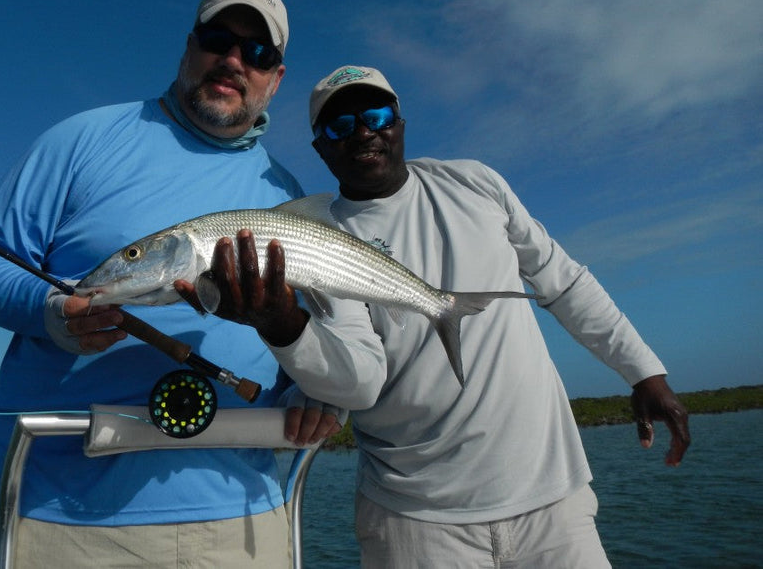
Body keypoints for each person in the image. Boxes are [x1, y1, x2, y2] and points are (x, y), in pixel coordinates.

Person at [181, 64, 691, 568]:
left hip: (554, 505)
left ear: (400, 123)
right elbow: (359, 382)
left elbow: (563, 281)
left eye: (376, 115)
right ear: (321, 148)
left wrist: (642, 369)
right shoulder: (318, 239)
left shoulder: (476, 183)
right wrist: (279, 323)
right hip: (413, 522)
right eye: (339, 127)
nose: (362, 133)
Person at [0, 0, 340, 567]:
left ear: (275, 80)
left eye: (259, 53)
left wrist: (310, 384)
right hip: (62, 513)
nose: (234, 60)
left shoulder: (287, 194)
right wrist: (51, 313)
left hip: (245, 510)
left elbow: (313, 324)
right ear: (188, 47)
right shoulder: (83, 139)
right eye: (218, 38)